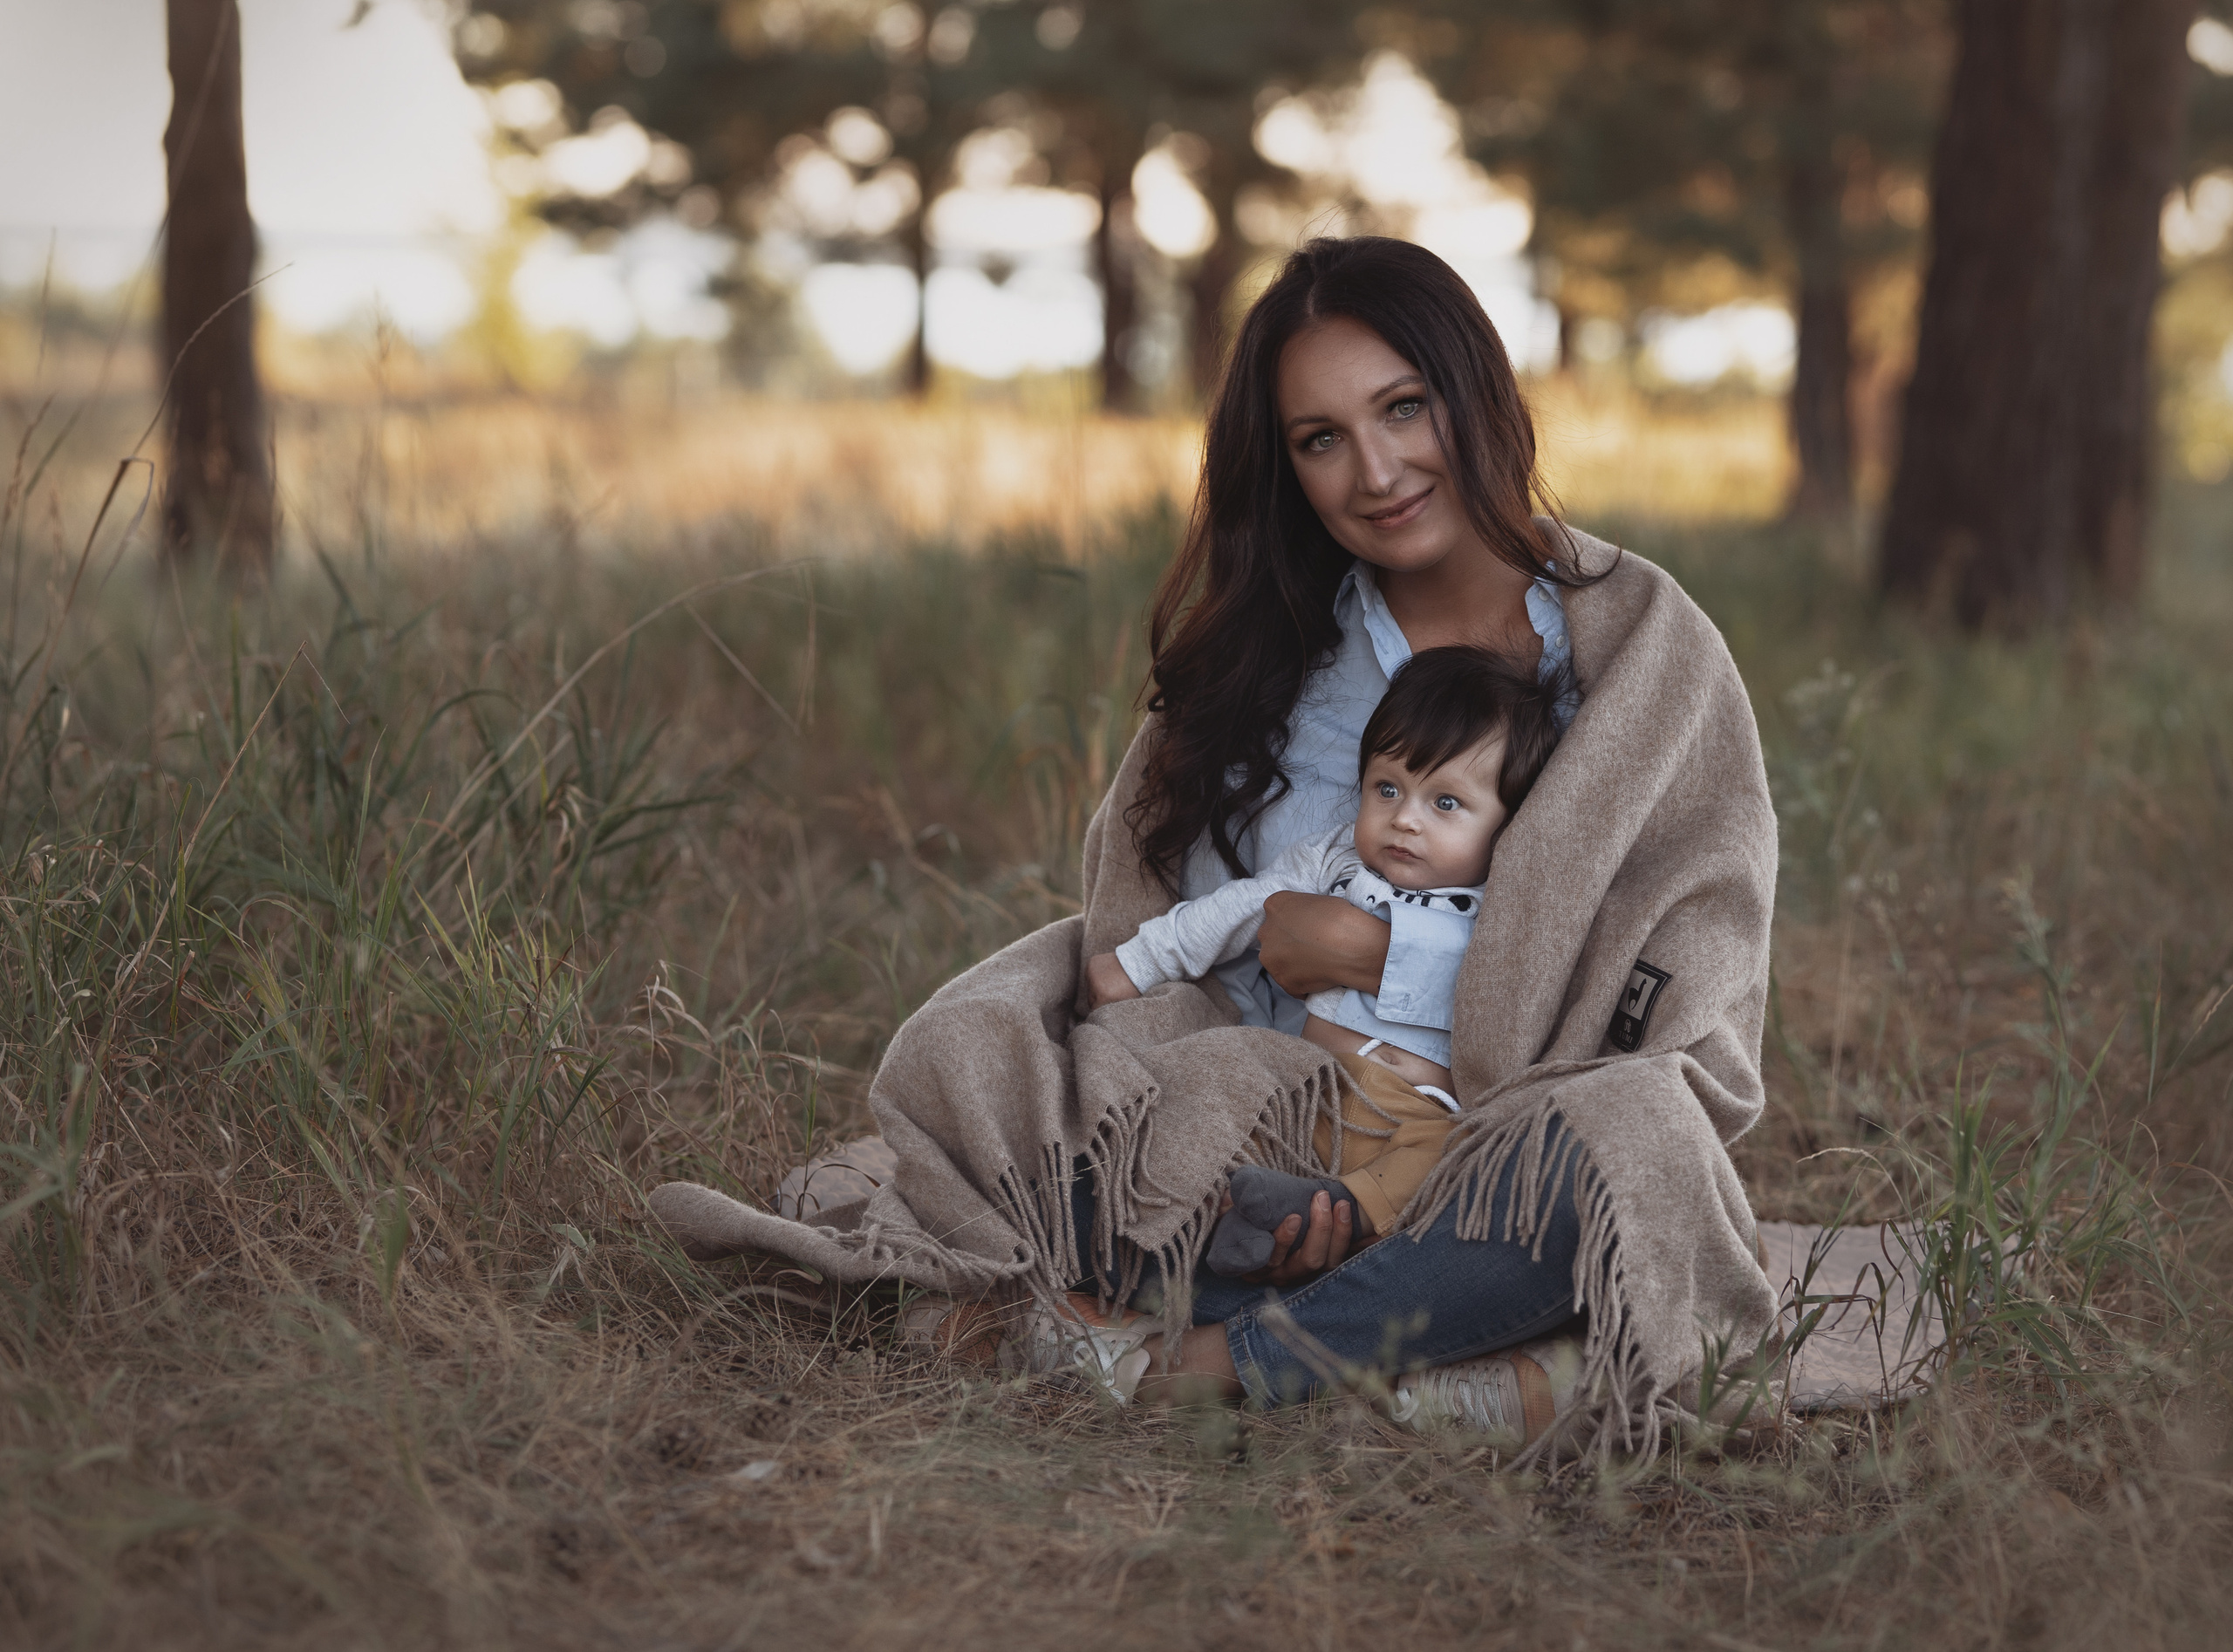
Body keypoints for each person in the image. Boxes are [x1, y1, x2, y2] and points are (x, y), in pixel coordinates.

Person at [648, 236, 1779, 1456]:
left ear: (1478, 395)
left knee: (1632, 1156)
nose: (1378, 470)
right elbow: (1148, 943)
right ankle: (1438, 1369)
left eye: (1405, 408)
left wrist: (1370, 958)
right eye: (1321, 438)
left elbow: (1696, 976)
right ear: (1284, 464)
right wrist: (1238, 1136)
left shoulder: (1644, 646)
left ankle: (1209, 1361)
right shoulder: (1271, 657)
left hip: (1488, 1155)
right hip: (1257, 1153)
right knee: (981, 1056)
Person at [1083, 643, 1566, 1275]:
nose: (1406, 820)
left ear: (1509, 825)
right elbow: (1239, 908)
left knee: (1450, 1159)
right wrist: (1138, 963)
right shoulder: (1335, 860)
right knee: (1218, 1120)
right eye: (1387, 788)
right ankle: (1214, 1235)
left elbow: (1531, 985)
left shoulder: (1503, 904)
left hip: (1418, 1114)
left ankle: (1338, 1209)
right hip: (1308, 1096)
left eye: (1446, 803)